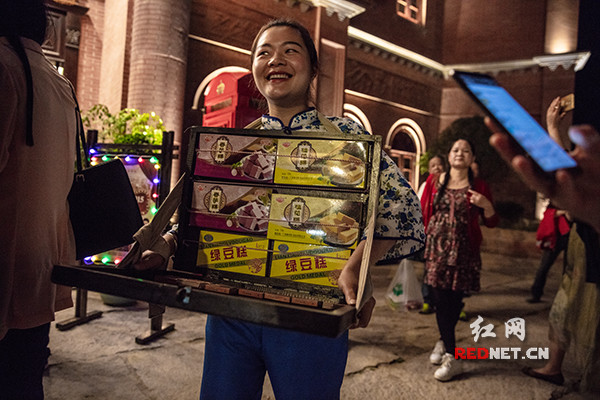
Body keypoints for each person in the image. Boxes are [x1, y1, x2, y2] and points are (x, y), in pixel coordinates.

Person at [136, 18, 424, 399]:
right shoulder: (238, 144)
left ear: (313, 68)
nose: (276, 60)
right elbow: (207, 214)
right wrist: (168, 245)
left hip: (313, 315)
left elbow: (404, 210)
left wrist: (359, 263)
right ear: (254, 69)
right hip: (231, 310)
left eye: (290, 50)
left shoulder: (348, 138)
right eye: (264, 53)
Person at [0, 1, 77, 398]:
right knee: (25, 379)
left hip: (5, 265)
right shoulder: (59, 83)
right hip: (41, 269)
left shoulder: (3, 66)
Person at [489, 121, 600, 394]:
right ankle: (557, 368)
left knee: (585, 309)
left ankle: (586, 378)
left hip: (586, 249)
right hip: (580, 242)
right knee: (566, 304)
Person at [420, 138, 499, 382]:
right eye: (455, 149)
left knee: (454, 302)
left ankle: (444, 341)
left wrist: (486, 205)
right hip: (436, 248)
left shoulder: (480, 186)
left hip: (463, 250)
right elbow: (423, 212)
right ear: (449, 155)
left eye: (466, 150)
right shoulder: (434, 181)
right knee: (438, 298)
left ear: (472, 158)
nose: (460, 153)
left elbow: (492, 221)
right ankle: (453, 356)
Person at [526, 98, 572, 303]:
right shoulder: (555, 181)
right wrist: (552, 128)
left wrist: (553, 127)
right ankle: (536, 293)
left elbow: (566, 168)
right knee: (546, 264)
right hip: (560, 229)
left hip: (573, 229)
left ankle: (565, 295)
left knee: (571, 266)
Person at [415, 155, 444, 314]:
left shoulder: (449, 184)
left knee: (444, 270)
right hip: (430, 234)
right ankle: (427, 300)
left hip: (446, 235)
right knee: (429, 268)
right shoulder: (426, 185)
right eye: (433, 165)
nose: (437, 168)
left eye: (439, 165)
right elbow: (420, 208)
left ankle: (445, 303)